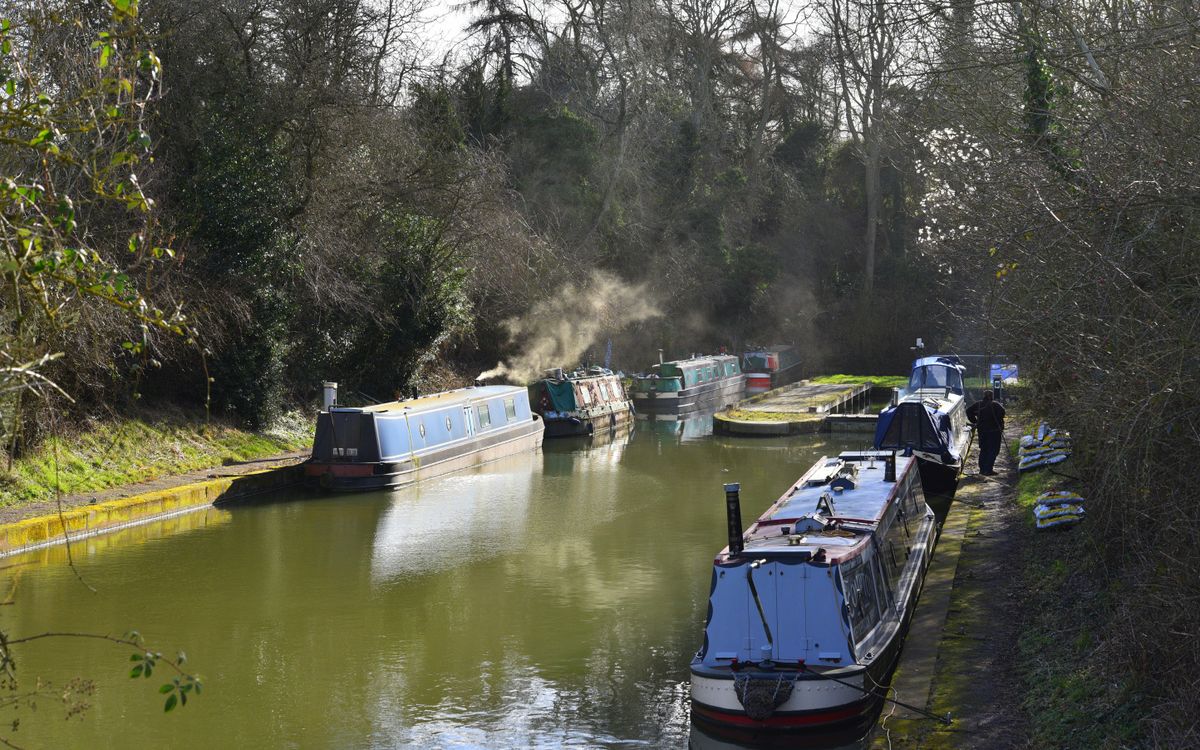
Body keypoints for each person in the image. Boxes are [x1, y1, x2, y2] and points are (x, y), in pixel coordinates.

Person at [967, 390, 1006, 476]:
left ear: (983, 396)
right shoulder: (996, 405)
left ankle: (982, 470)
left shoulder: (978, 404)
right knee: (993, 450)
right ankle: (988, 470)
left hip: (982, 431)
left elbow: (968, 411)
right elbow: (1002, 413)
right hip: (994, 432)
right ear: (992, 396)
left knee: (984, 450)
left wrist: (975, 421)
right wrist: (999, 423)